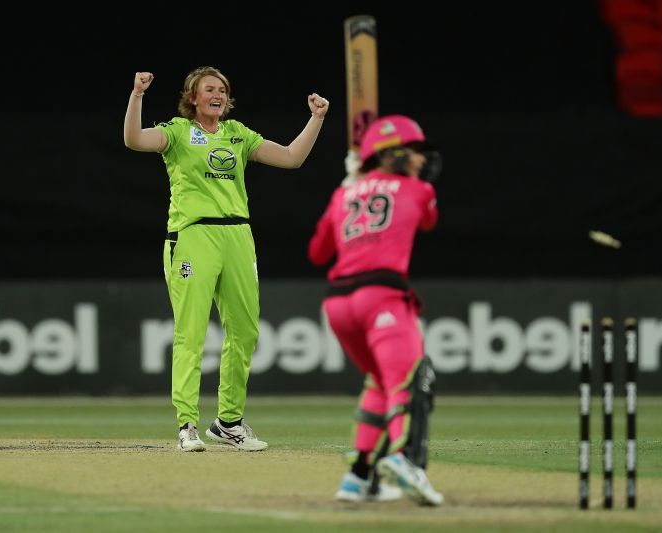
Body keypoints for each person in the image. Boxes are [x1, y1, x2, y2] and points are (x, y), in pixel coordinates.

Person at [125, 66, 329, 452]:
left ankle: (229, 422)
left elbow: (290, 158)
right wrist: (137, 95)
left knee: (246, 332)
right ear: (193, 97)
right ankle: (187, 424)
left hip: (238, 235)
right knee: (192, 331)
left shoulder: (239, 134)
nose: (217, 95)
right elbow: (134, 140)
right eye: (209, 90)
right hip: (194, 234)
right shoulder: (178, 132)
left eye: (222, 89)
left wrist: (316, 119)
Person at [308, 115, 444, 505]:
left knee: (381, 382)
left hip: (338, 304)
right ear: (392, 154)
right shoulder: (417, 190)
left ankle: (358, 477)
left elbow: (317, 253)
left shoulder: (343, 194)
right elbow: (430, 220)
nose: (421, 161)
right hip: (382, 296)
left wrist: (350, 186)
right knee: (410, 379)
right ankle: (403, 458)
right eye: (414, 152)